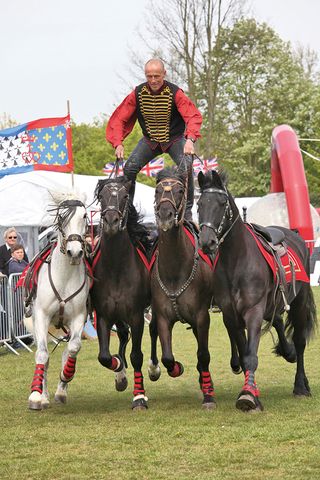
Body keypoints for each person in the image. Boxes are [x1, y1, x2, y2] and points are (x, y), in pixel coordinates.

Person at [106, 58, 202, 221]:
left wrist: (190, 139)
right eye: (149, 76)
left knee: (186, 166)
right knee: (129, 168)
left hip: (174, 139)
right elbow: (119, 119)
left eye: (156, 76)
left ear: (164, 74)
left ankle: (187, 212)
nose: (153, 80)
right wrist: (118, 143)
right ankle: (127, 211)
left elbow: (193, 115)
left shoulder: (175, 93)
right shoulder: (137, 93)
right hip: (149, 141)